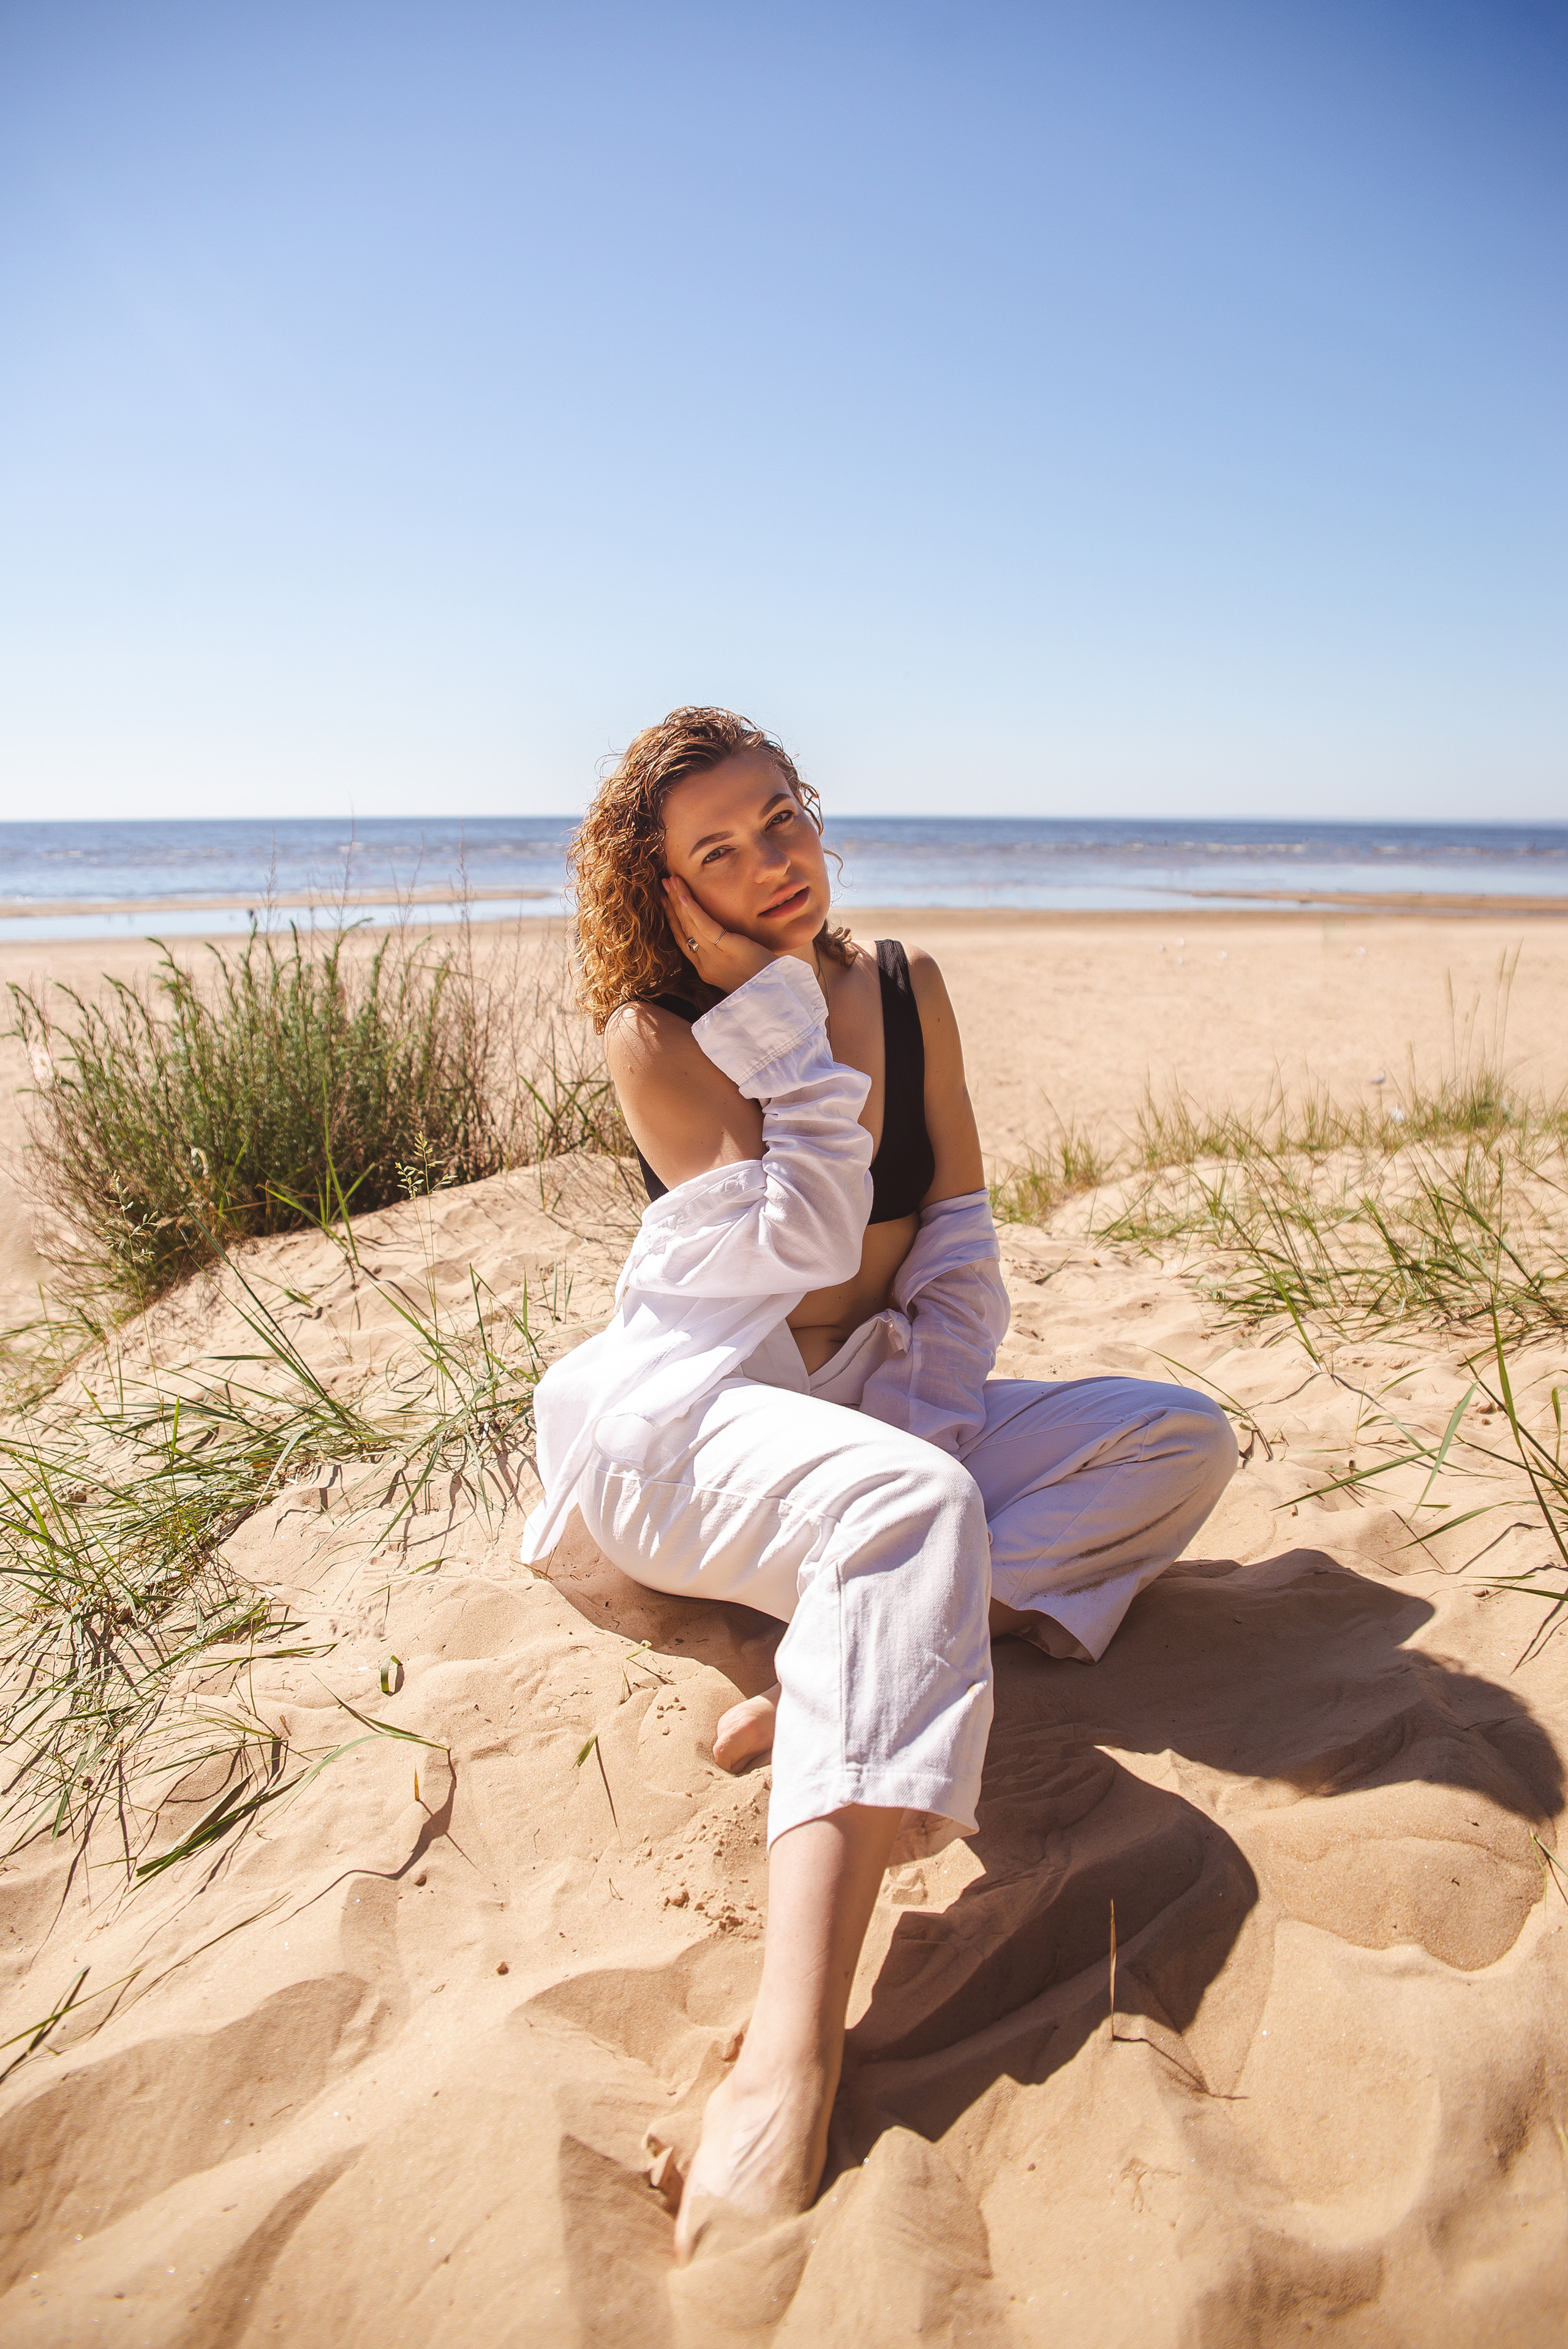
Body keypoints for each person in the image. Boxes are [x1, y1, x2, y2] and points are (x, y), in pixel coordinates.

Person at [519, 707, 1235, 2258]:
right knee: (901, 1511)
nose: (772, 861)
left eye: (782, 818)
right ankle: (789, 2043)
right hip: (704, 1424)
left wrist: (921, 1410)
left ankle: (857, 1659)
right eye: (720, 848)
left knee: (1179, 1439)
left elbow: (958, 1231)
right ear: (663, 892)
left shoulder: (905, 986)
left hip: (895, 1398)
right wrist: (777, 1022)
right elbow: (807, 1237)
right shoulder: (657, 1037)